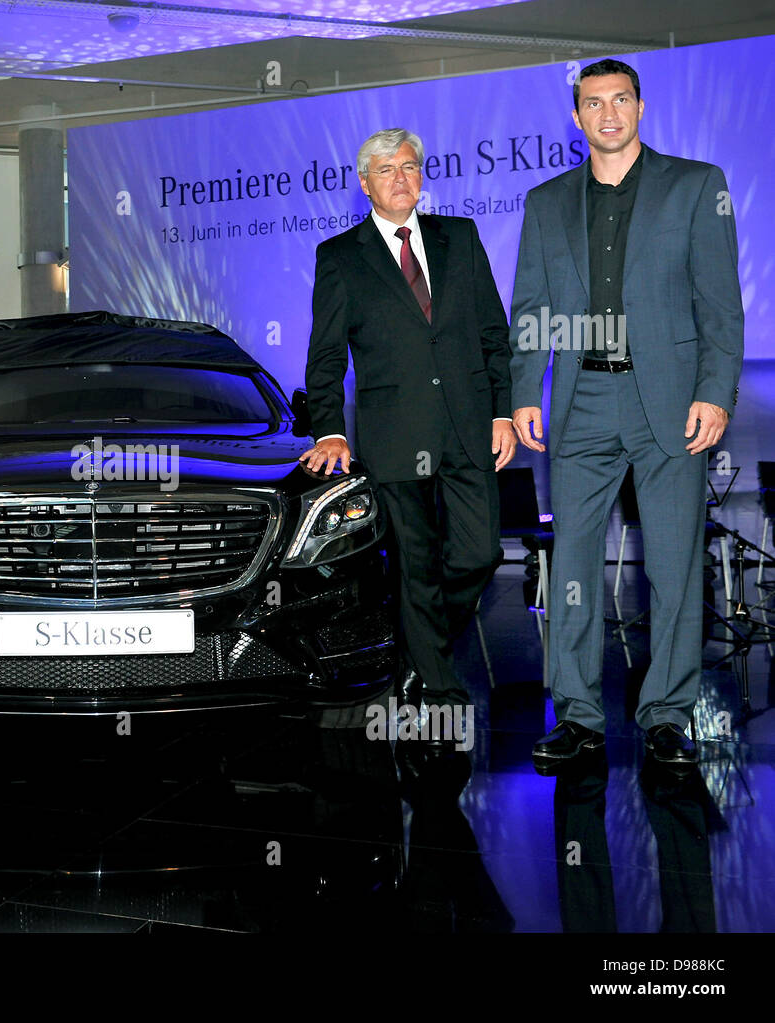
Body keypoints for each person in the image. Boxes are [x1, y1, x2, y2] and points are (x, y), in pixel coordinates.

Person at [510, 59, 744, 768]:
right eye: (592, 103)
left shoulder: (697, 186)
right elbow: (531, 308)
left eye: (619, 100)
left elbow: (720, 305)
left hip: (671, 404)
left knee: (673, 570)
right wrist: (525, 389)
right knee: (573, 565)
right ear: (577, 117)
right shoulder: (546, 201)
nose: (607, 113)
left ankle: (667, 715)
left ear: (640, 108)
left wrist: (716, 391)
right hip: (581, 404)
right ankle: (577, 715)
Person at [300, 128, 515, 733]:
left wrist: (502, 410)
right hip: (394, 434)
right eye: (387, 170)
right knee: (416, 564)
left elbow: (493, 334)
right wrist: (329, 430)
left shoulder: (461, 238)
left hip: (471, 426)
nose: (401, 178)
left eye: (411, 167)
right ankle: (439, 685)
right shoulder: (340, 256)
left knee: (479, 553)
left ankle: (420, 645)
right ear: (365, 182)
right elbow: (325, 357)